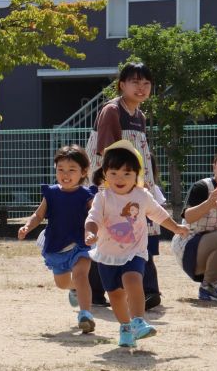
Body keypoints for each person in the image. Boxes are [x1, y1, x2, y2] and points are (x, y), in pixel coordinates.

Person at [85, 140, 189, 348]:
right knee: (115, 294)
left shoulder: (142, 196)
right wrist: (91, 232)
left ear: (136, 175)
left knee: (133, 280)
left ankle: (139, 321)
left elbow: (159, 214)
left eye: (126, 173)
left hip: (135, 252)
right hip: (107, 254)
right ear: (105, 174)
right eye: (113, 173)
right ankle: (125, 327)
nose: (120, 178)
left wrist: (176, 227)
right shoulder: (102, 197)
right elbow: (92, 219)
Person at [85, 63, 163, 310]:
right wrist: (119, 188)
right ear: (122, 85)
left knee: (134, 233)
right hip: (115, 184)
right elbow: (109, 154)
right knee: (112, 234)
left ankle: (143, 290)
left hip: (133, 183)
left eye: (146, 83)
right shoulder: (112, 110)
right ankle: (100, 291)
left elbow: (142, 153)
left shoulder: (138, 115)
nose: (141, 88)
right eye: (135, 82)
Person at [17, 145, 97, 332]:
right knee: (62, 283)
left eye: (71, 170)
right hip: (56, 245)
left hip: (81, 244)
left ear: (83, 172)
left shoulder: (87, 195)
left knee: (81, 275)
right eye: (60, 169)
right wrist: (28, 226)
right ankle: (74, 289)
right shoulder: (51, 193)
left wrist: (95, 232)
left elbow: (97, 217)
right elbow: (38, 215)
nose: (65, 174)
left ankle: (85, 314)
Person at [170, 147, 217, 302]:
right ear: (214, 165)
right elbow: (188, 216)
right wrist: (208, 204)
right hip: (191, 247)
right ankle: (209, 286)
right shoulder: (203, 186)